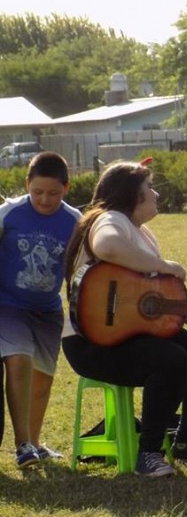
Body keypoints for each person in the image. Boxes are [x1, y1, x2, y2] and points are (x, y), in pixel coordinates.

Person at [62, 160, 187, 478]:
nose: (155, 194)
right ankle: (149, 454)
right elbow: (108, 246)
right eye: (149, 189)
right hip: (91, 343)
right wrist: (166, 265)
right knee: (170, 359)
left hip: (125, 335)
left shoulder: (141, 232)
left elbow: (137, 299)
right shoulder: (110, 219)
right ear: (132, 196)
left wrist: (179, 313)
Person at [0, 152, 81, 467]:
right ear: (26, 185)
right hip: (8, 306)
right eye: (37, 192)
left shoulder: (75, 220)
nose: (44, 199)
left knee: (43, 378)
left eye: (53, 193)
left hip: (47, 311)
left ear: (66, 188)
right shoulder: (9, 213)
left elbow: (81, 265)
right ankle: (22, 445)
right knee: (18, 360)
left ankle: (34, 442)